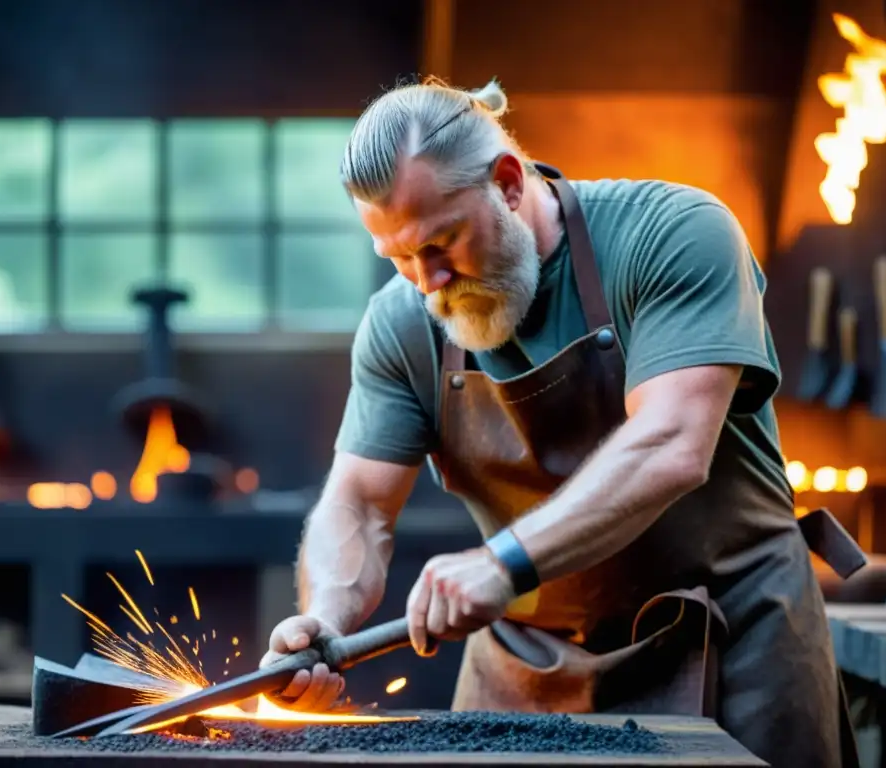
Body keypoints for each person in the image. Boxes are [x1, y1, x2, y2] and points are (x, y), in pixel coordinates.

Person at [259, 77, 855, 767]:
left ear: (509, 184)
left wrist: (502, 564)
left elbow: (671, 444)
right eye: (398, 259)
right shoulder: (402, 323)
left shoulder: (671, 235)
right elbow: (359, 505)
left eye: (442, 244)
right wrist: (325, 621)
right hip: (525, 674)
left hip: (731, 641)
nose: (426, 283)